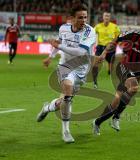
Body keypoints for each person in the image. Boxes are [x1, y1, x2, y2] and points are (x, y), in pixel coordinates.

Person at [92, 17, 140, 135]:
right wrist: (103, 53)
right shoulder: (133, 34)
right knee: (134, 88)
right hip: (125, 67)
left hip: (139, 73)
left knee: (117, 100)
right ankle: (117, 117)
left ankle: (97, 122)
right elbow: (116, 40)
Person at [36, 5, 96, 143]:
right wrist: (50, 57)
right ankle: (66, 131)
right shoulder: (63, 28)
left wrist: (59, 46)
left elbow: (81, 52)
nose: (84, 20)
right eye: (80, 17)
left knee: (64, 100)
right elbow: (59, 43)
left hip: (81, 69)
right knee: (68, 92)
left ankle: (47, 108)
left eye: (85, 17)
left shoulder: (89, 31)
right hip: (65, 66)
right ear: (72, 18)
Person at [92, 11, 120, 89]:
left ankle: (115, 82)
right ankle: (95, 82)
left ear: (110, 18)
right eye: (105, 16)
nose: (106, 17)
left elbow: (118, 37)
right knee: (95, 66)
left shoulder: (115, 27)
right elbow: (91, 33)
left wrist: (113, 42)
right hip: (100, 47)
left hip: (111, 48)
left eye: (108, 16)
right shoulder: (98, 26)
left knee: (112, 67)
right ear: (103, 17)